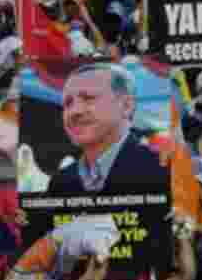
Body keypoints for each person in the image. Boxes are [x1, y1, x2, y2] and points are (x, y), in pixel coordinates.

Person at [46, 62, 168, 194]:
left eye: (88, 98)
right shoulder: (60, 182)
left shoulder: (164, 170)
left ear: (126, 106)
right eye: (67, 103)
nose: (75, 111)